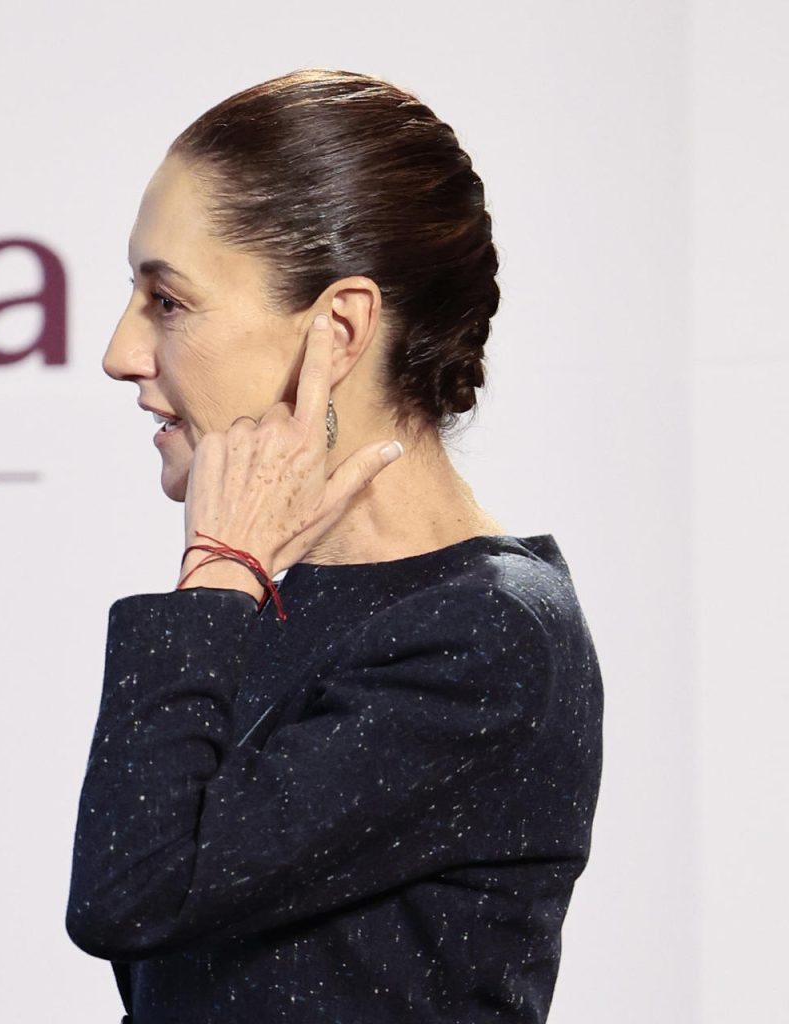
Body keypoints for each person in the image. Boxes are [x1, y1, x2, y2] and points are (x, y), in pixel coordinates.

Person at [64, 69, 604, 1024]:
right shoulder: (279, 593)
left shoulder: (483, 637)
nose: (121, 351)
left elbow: (135, 890)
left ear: (340, 328)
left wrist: (221, 566)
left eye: (169, 301)